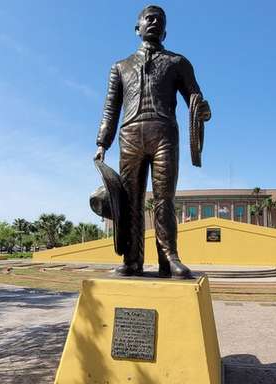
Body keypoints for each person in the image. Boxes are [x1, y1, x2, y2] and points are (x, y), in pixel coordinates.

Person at [93, 5, 210, 278]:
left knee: (164, 200)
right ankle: (131, 260)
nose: (154, 21)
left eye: (160, 19)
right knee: (130, 201)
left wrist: (204, 110)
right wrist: (102, 143)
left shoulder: (178, 62)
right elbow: (110, 109)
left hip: (164, 134)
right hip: (130, 135)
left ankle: (168, 258)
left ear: (165, 30)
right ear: (138, 28)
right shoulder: (119, 67)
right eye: (149, 18)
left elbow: (196, 99)